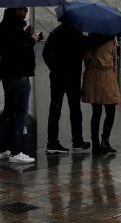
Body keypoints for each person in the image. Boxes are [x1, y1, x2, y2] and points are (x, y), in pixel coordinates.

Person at [0, 7, 41, 164]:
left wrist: (26, 35)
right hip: (18, 75)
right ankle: (16, 151)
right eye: (23, 10)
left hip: (8, 75)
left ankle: (2, 149)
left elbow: (12, 48)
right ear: (15, 11)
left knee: (8, 111)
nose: (26, 12)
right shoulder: (13, 27)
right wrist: (32, 39)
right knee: (20, 113)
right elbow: (19, 50)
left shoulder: (5, 26)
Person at [43, 21, 89, 154]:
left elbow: (45, 54)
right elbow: (84, 51)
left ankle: (52, 142)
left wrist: (54, 68)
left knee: (54, 109)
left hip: (57, 77)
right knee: (75, 109)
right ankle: (77, 141)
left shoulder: (55, 33)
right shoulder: (77, 34)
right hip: (73, 77)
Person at [82, 31, 121, 155]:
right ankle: (105, 140)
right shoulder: (110, 41)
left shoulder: (88, 41)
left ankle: (95, 143)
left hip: (92, 77)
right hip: (106, 77)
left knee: (96, 111)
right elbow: (115, 57)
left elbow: (86, 58)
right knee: (110, 110)